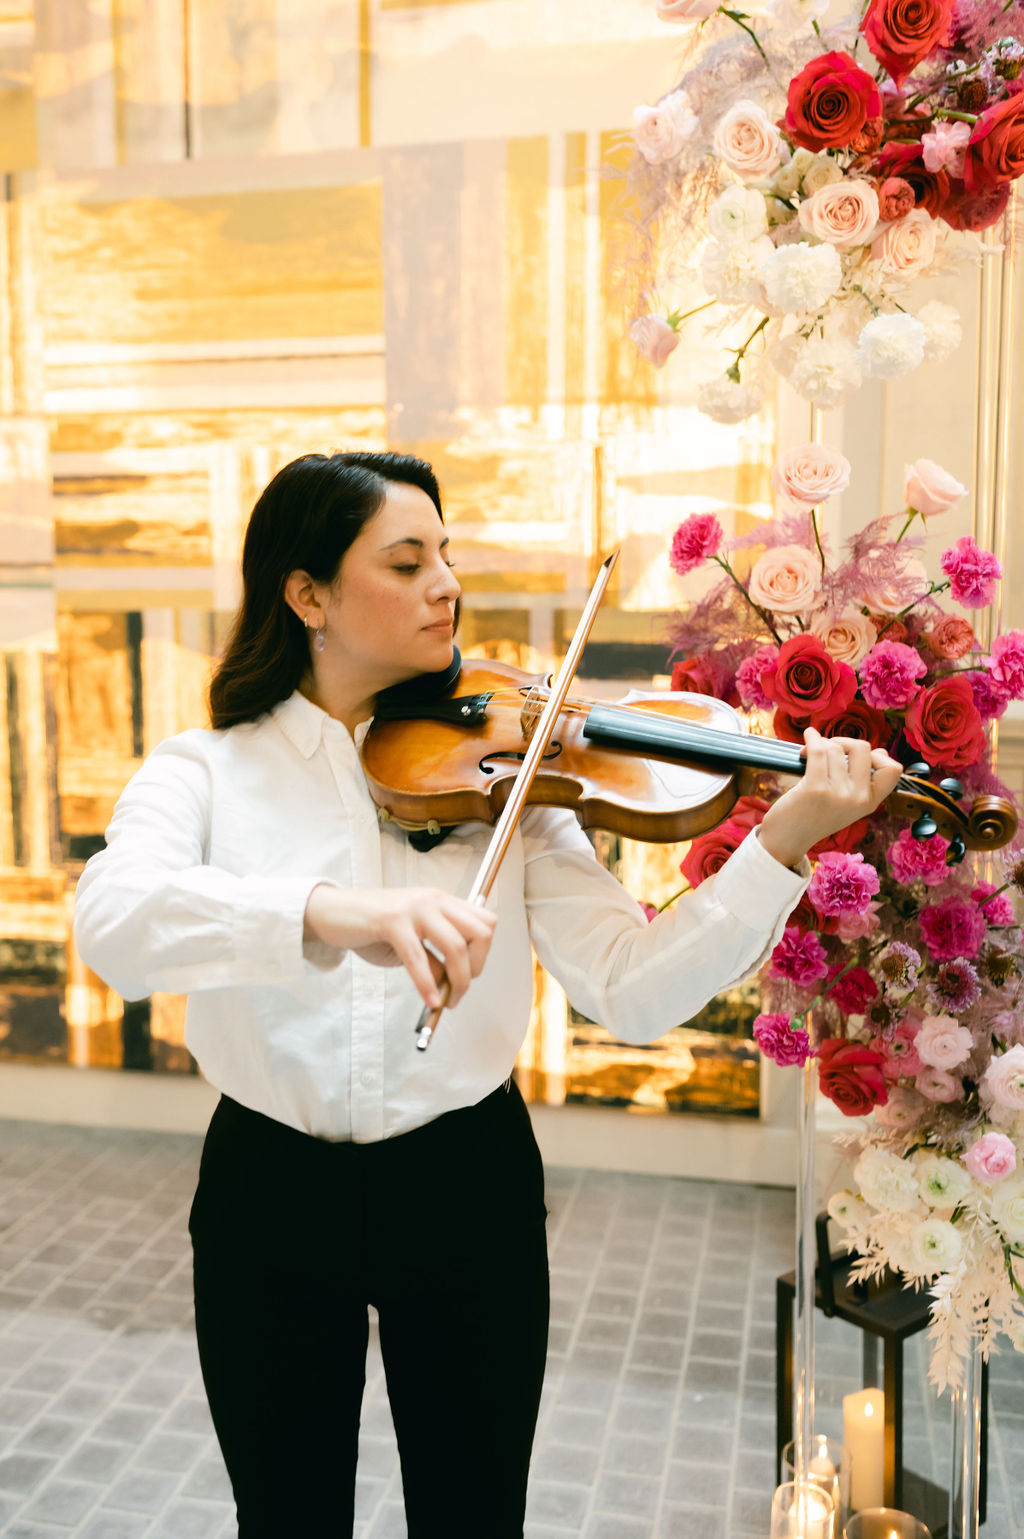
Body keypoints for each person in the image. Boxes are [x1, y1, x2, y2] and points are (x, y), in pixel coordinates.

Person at [72, 450, 904, 1539]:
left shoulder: (511, 763)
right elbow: (116, 926)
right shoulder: (205, 769)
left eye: (446, 555)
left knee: (474, 1517)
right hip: (267, 1190)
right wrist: (332, 912)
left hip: (463, 1185)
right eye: (406, 561)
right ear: (307, 592)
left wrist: (781, 844)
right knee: (283, 1515)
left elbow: (632, 991)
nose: (446, 585)